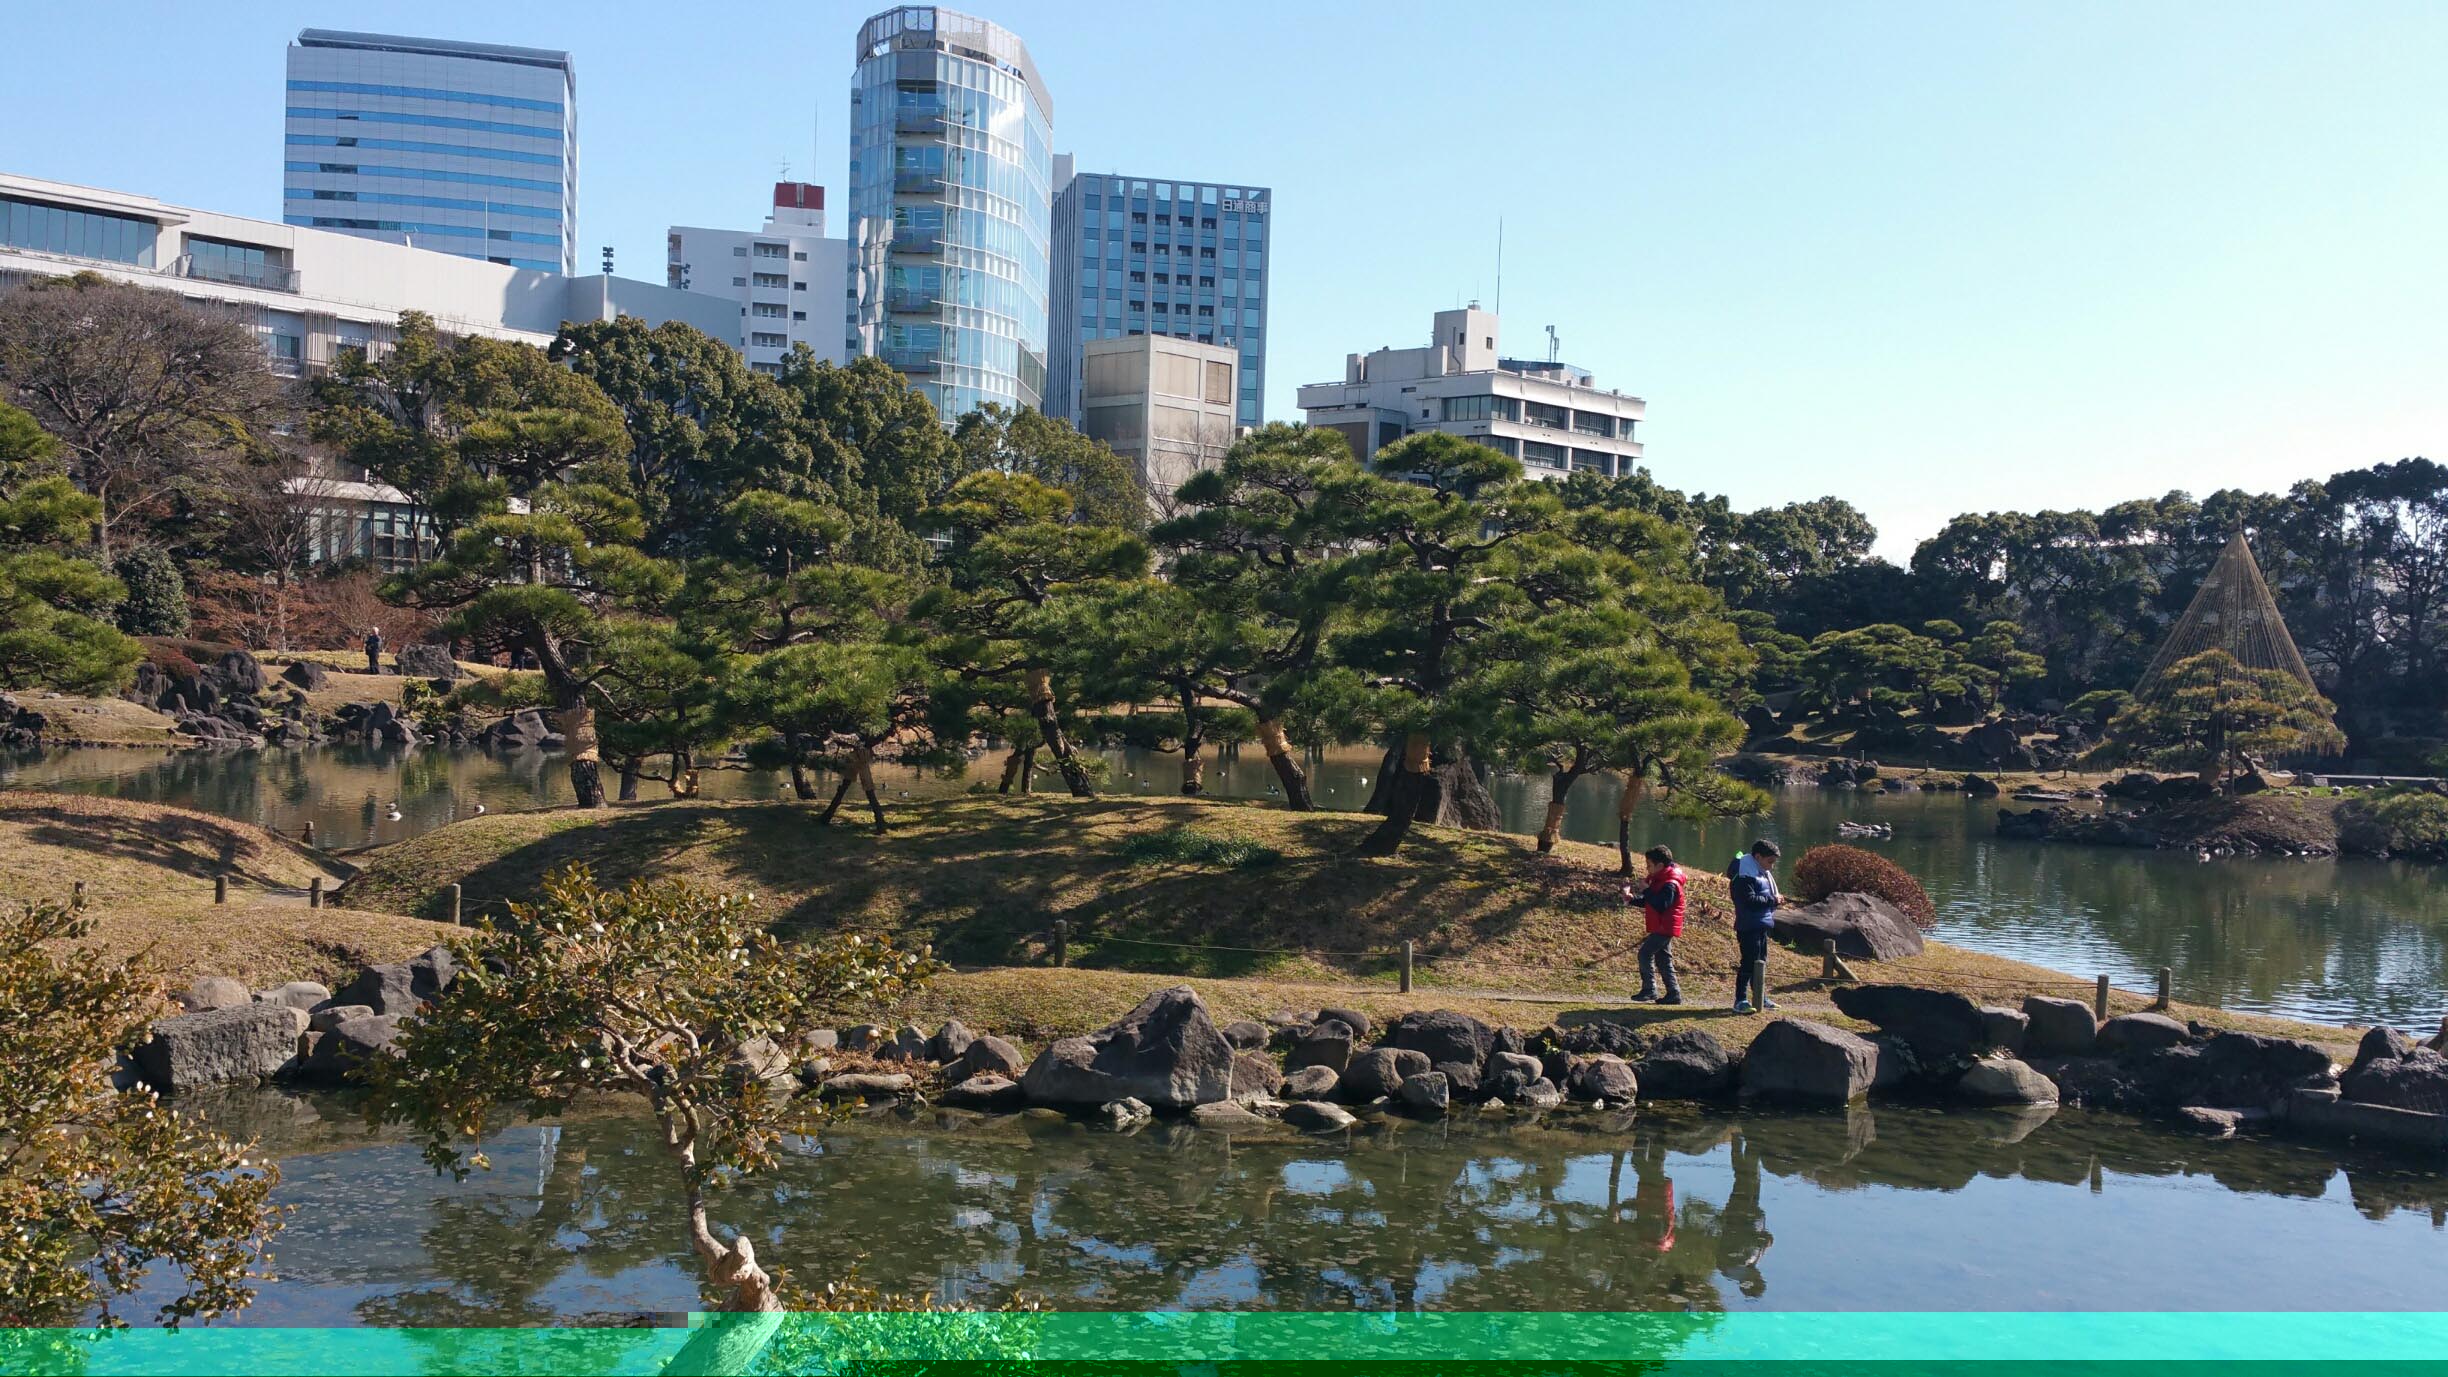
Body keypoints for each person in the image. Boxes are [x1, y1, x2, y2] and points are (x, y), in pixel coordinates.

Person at [1624, 844, 1685, 1005]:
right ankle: (1673, 993)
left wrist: (1646, 890)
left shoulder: (1670, 883)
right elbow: (1650, 902)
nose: (1647, 868)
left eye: (1649, 865)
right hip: (1662, 926)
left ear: (1660, 866)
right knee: (1663, 959)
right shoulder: (1659, 880)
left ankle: (1649, 989)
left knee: (1644, 953)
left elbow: (1661, 904)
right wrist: (1632, 899)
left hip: (1665, 926)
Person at [1726, 839, 1781, 1013]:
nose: (1771, 867)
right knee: (1748, 963)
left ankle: (1760, 996)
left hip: (1761, 924)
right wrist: (1773, 900)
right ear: (1758, 857)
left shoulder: (1760, 872)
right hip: (1748, 925)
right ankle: (1740, 1000)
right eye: (1769, 862)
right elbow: (1749, 901)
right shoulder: (1744, 876)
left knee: (1761, 961)